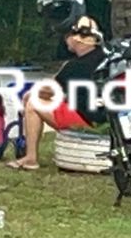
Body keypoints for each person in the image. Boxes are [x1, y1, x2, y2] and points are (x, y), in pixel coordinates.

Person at [7, 15, 108, 171]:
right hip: (106, 117)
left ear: (77, 38)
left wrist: (30, 94)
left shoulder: (74, 66)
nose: (65, 40)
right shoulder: (106, 58)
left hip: (86, 119)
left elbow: (49, 89)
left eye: (67, 36)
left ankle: (30, 158)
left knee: (33, 103)